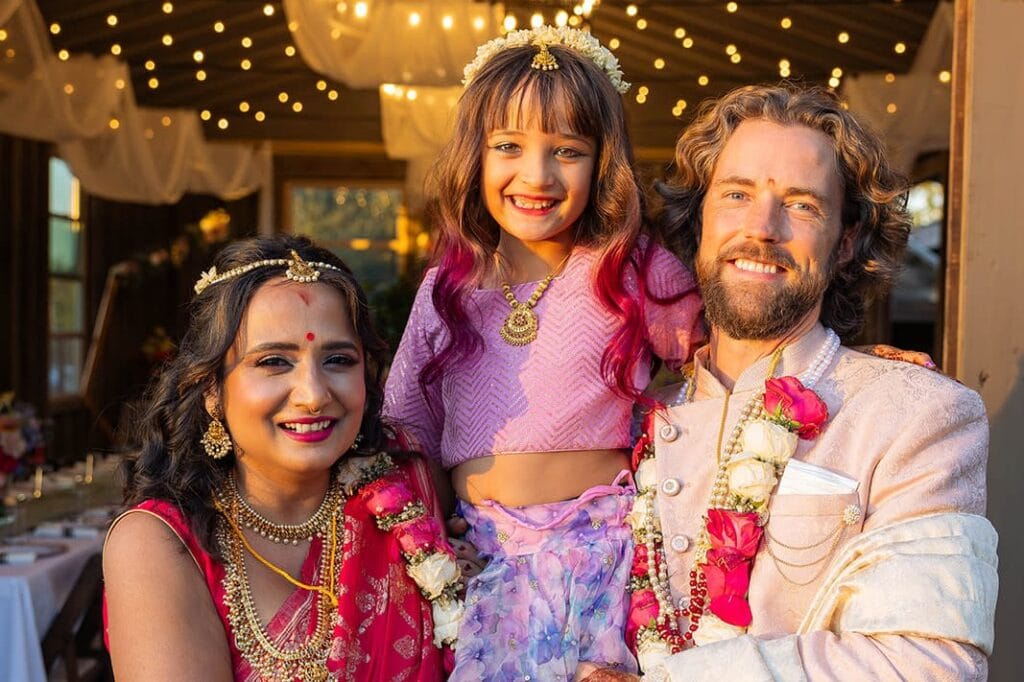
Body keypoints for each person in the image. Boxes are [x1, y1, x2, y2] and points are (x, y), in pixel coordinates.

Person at [580, 84, 998, 681]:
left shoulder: (915, 412)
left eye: (801, 205)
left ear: (846, 241)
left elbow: (930, 664)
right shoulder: (623, 419)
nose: (761, 227)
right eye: (736, 194)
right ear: (699, 217)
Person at [384, 26, 704, 680]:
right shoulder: (447, 289)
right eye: (509, 146)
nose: (537, 175)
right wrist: (431, 544)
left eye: (567, 151)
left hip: (601, 565)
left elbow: (727, 368)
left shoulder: (629, 268)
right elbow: (407, 429)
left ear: (602, 162)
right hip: (480, 567)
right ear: (474, 156)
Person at [103, 236, 459, 681]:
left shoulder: (408, 488)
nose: (314, 395)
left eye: (338, 359)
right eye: (274, 361)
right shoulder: (157, 544)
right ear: (211, 389)